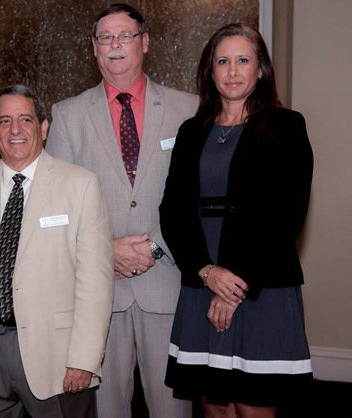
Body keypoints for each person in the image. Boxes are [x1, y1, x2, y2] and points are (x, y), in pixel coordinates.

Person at [46, 4, 196, 418]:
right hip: (99, 297)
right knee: (108, 411)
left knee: (173, 412)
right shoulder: (68, 115)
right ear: (93, 48)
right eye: (105, 38)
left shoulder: (189, 109)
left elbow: (197, 199)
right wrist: (104, 251)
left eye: (124, 36)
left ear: (144, 42)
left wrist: (156, 246)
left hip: (167, 286)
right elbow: (56, 207)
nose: (115, 46)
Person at [159, 23, 313, 418]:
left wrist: (234, 285)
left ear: (260, 68)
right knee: (215, 407)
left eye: (243, 60)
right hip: (202, 278)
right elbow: (173, 211)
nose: (232, 71)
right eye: (222, 61)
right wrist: (208, 272)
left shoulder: (286, 126)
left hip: (261, 284)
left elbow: (287, 214)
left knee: (252, 405)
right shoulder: (192, 132)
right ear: (210, 72)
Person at [0, 85, 114, 417]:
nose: (15, 130)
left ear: (44, 126)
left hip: (57, 359)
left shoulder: (80, 185)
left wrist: (84, 359)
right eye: (4, 120)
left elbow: (95, 284)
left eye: (25, 119)